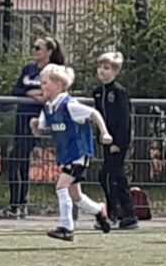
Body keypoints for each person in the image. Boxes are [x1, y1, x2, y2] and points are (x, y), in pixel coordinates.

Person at [29, 64, 113, 241]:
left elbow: (94, 113)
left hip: (78, 154)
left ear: (58, 85)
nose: (41, 87)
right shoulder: (48, 109)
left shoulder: (70, 105)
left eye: (45, 83)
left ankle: (67, 228)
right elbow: (42, 131)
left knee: (61, 186)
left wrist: (104, 133)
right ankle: (99, 210)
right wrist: (35, 127)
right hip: (66, 155)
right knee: (76, 196)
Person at [4, 37, 65, 219]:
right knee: (20, 160)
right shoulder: (28, 69)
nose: (34, 50)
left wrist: (42, 95)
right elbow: (17, 90)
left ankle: (18, 204)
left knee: (17, 158)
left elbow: (53, 93)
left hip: (38, 120)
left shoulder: (54, 71)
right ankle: (18, 204)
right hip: (22, 118)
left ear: (49, 52)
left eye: (38, 47)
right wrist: (31, 92)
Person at [93, 51, 139, 230]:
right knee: (115, 177)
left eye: (106, 68)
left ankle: (114, 214)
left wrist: (118, 143)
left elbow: (124, 120)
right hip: (105, 141)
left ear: (115, 72)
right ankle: (127, 214)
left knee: (108, 175)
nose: (102, 71)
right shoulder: (98, 93)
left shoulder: (118, 92)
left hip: (117, 143)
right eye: (100, 67)